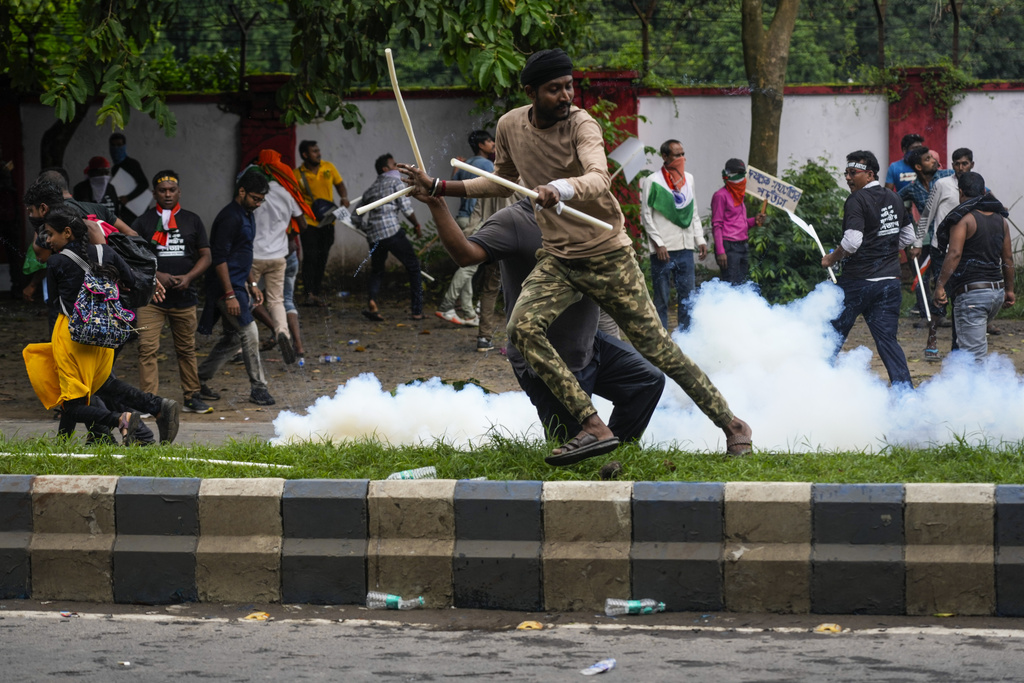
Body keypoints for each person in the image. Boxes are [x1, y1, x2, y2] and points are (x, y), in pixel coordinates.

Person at [399, 48, 752, 463]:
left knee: (658, 349)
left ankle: (733, 425)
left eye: (569, 86)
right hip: (559, 259)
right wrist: (439, 187)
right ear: (531, 91)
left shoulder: (583, 125)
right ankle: (592, 425)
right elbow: (502, 181)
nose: (566, 96)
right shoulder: (511, 125)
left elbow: (599, 178)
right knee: (522, 329)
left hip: (608, 256)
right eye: (554, 89)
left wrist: (561, 188)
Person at [417, 190, 666, 445]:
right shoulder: (514, 220)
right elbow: (465, 254)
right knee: (570, 452)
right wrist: (437, 204)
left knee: (647, 381)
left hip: (591, 346)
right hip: (544, 359)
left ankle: (616, 450)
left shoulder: (587, 215)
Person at [22, 207, 145, 442]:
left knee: (71, 402)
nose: (47, 240)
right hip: (103, 341)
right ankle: (62, 445)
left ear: (67, 233)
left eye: (50, 233)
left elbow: (53, 301)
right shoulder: (106, 253)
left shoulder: (57, 261)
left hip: (72, 339)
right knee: (78, 397)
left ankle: (120, 419)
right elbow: (131, 281)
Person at [822, 151, 916, 388]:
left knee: (831, 336)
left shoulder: (856, 200)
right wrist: (884, 248)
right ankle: (905, 394)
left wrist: (832, 258)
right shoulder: (894, 197)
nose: (848, 178)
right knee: (887, 341)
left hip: (858, 282)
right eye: (846, 173)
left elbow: (852, 242)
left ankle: (815, 385)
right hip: (890, 282)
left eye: (853, 172)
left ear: (870, 174)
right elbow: (909, 236)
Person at [130, 170, 213, 413]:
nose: (167, 194)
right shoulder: (142, 222)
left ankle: (192, 396)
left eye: (172, 190)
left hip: (184, 298)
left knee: (187, 349)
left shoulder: (192, 220)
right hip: (150, 299)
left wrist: (188, 277)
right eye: (162, 190)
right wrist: (157, 276)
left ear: (179, 192)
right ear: (154, 193)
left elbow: (206, 255)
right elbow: (132, 257)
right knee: (147, 349)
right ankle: (148, 401)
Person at [197, 169, 275, 406]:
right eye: (255, 198)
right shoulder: (230, 217)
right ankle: (259, 388)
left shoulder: (247, 213)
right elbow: (219, 258)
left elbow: (243, 252)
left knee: (232, 339)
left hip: (238, 285)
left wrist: (252, 283)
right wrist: (230, 294)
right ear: (241, 191)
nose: (259, 204)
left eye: (262, 200)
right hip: (225, 287)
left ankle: (197, 380)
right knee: (250, 332)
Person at [933, 172, 1015, 362]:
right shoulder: (1001, 220)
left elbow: (954, 254)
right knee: (970, 351)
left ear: (960, 192)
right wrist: (1009, 290)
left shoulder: (963, 219)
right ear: (983, 191)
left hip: (973, 296)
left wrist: (940, 286)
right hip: (995, 293)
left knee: (973, 359)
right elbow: (1008, 257)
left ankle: (979, 390)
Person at [913, 147, 978, 356]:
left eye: (964, 163)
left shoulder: (977, 186)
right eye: (957, 163)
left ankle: (956, 345)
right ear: (952, 165)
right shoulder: (942, 184)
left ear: (972, 165)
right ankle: (932, 340)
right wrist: (916, 242)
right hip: (941, 249)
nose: (960, 167)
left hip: (966, 251)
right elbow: (926, 215)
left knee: (961, 298)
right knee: (940, 295)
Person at [253, 149, 314, 363]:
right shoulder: (287, 192)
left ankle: (256, 340)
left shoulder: (254, 193)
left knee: (246, 296)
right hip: (284, 255)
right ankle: (291, 341)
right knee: (282, 300)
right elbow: (303, 224)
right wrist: (287, 231)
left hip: (255, 256)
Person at [640, 139, 707, 330]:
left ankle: (686, 340)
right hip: (663, 250)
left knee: (687, 298)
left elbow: (692, 212)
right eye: (676, 155)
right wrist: (658, 244)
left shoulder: (689, 179)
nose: (681, 158)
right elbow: (646, 215)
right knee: (662, 298)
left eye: (682, 154)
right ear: (665, 157)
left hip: (685, 247)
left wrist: (699, 239)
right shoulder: (653, 181)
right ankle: (662, 342)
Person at [435, 130, 497, 327]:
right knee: (469, 266)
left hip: (462, 217)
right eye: (489, 141)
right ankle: (446, 305)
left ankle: (469, 312)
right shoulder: (488, 165)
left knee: (467, 264)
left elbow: (451, 185)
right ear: (480, 145)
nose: (493, 143)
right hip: (475, 218)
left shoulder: (464, 164)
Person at [351, 154, 423, 321]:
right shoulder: (395, 182)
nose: (397, 167)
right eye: (394, 164)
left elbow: (355, 216)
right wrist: (417, 225)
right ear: (385, 169)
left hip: (374, 237)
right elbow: (406, 208)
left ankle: (372, 302)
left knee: (377, 271)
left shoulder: (371, 189)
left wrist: (368, 229)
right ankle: (417, 311)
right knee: (413, 267)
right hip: (391, 232)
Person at [294, 140, 348, 306]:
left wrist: (344, 197)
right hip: (309, 222)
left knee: (322, 256)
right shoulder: (297, 174)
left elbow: (340, 185)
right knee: (310, 257)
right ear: (305, 155)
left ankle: (315, 292)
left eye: (318, 150)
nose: (319, 153)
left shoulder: (328, 167)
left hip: (327, 220)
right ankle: (309, 293)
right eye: (314, 151)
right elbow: (294, 198)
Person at [710, 158, 764, 285]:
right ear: (728, 175)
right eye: (737, 173)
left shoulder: (739, 195)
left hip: (743, 245)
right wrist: (720, 251)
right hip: (729, 246)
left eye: (742, 173)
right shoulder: (720, 196)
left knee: (741, 286)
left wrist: (754, 221)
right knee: (731, 286)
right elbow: (717, 225)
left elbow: (739, 222)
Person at [109, 133, 149, 224]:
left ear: (124, 146)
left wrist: (128, 197)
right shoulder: (115, 168)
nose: (116, 148)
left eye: (119, 145)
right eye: (113, 145)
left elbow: (144, 184)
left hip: (139, 208)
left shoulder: (132, 164)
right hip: (126, 209)